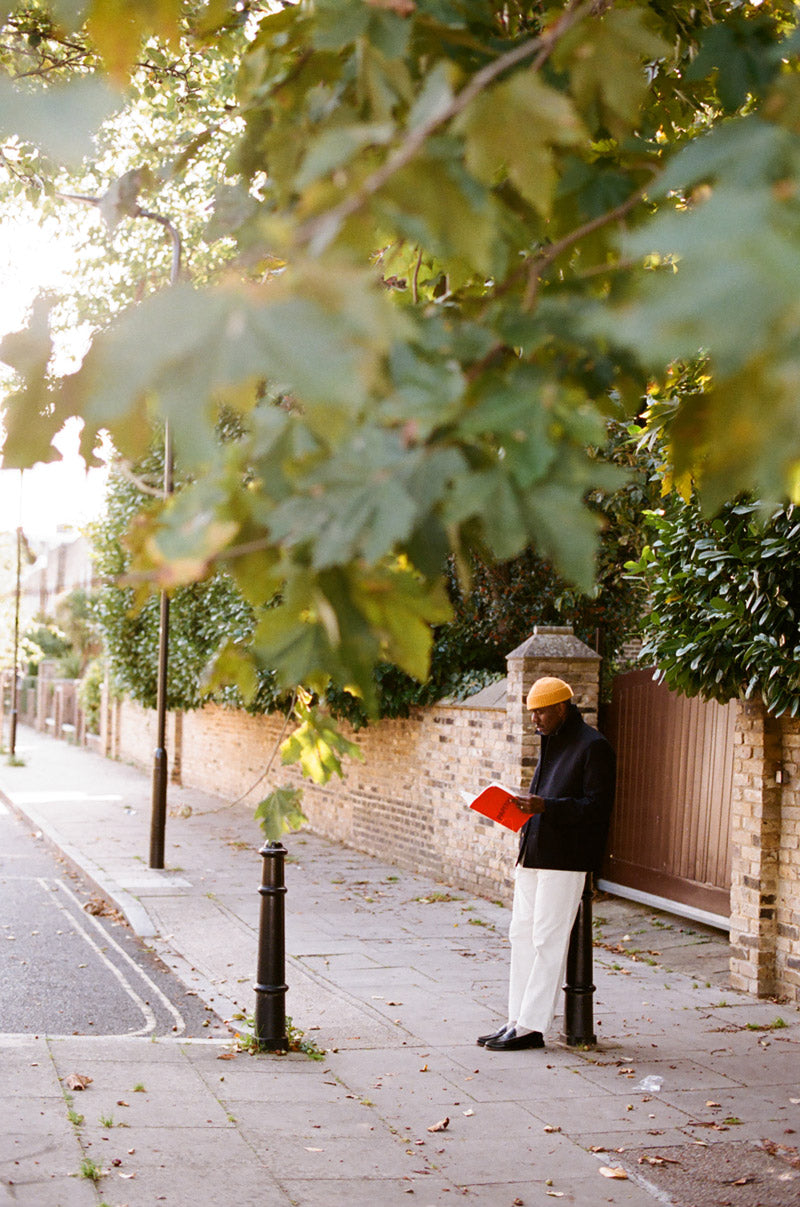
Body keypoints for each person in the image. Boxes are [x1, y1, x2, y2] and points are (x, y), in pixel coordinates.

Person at [478, 675, 615, 1052]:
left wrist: (544, 806)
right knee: (520, 934)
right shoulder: (549, 741)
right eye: (532, 713)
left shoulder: (594, 746)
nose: (534, 720)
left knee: (547, 939)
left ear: (561, 708)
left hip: (567, 858)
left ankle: (532, 1026)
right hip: (535, 850)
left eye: (540, 712)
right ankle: (515, 1019)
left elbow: (597, 808)